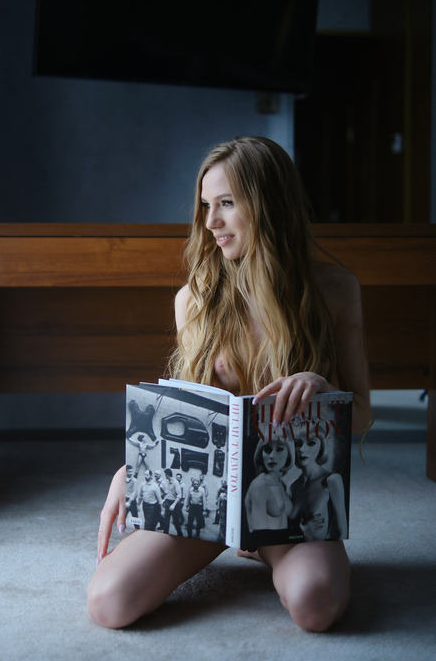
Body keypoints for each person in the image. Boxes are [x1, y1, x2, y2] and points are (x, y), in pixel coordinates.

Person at [88, 136, 372, 632]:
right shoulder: (194, 299)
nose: (210, 223)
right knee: (109, 602)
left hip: (287, 500)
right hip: (207, 501)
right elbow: (184, 414)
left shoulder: (335, 290)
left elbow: (363, 416)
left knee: (316, 605)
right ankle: (230, 537)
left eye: (226, 203)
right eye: (205, 206)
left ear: (268, 204)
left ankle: (263, 546)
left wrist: (324, 387)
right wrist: (131, 470)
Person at [288, 431, 348, 541]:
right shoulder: (293, 486)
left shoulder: (331, 480)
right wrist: (301, 531)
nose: (302, 449)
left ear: (321, 447)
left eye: (311, 443)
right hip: (294, 546)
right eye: (298, 444)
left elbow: (342, 531)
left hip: (319, 547)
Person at [244, 438, 293, 534]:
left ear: (289, 454)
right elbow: (259, 534)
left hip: (280, 541)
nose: (272, 456)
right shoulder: (260, 484)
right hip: (268, 542)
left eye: (279, 449)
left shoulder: (280, 483)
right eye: (267, 450)